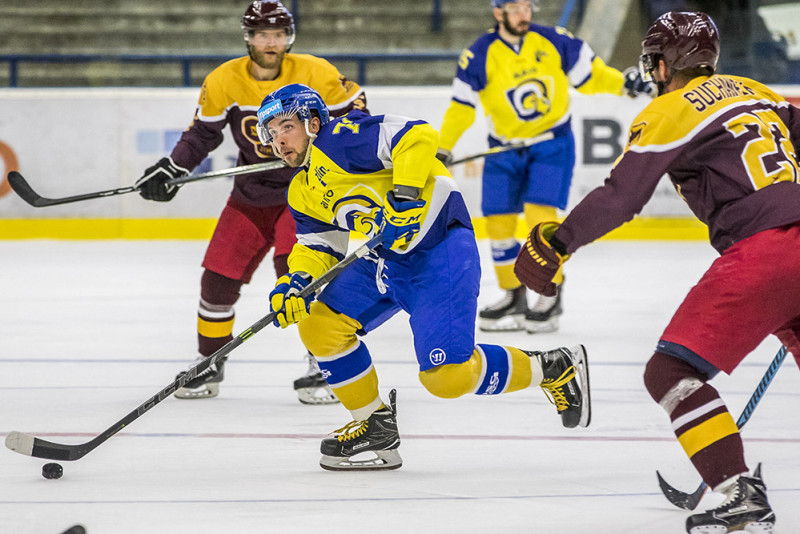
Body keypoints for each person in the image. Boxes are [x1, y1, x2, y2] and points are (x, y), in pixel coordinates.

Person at [514, 11, 800, 533]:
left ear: (672, 61)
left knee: (670, 372)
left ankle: (738, 493)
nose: (653, 73)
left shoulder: (671, 110)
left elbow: (623, 197)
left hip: (764, 253)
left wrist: (559, 242)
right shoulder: (755, 89)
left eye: (656, 61)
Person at [255, 83, 592, 471]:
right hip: (388, 260)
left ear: (313, 122)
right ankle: (373, 426)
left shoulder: (342, 139)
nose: (278, 141)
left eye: (285, 126)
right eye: (272, 133)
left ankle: (553, 367)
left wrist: (406, 196)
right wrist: (294, 282)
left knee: (446, 379)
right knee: (319, 326)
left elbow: (417, 135)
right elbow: (320, 247)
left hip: (440, 249)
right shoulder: (302, 189)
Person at [134, 1, 367, 404]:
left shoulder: (318, 73)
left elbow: (358, 113)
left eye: (277, 34)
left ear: (288, 37)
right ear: (249, 38)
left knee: (301, 279)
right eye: (262, 34)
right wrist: (173, 167)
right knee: (217, 280)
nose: (270, 42)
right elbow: (202, 135)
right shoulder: (224, 80)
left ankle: (324, 363)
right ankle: (209, 362)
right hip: (252, 195)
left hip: (308, 193)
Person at [436, 0, 654, 334]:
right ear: (498, 13)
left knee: (540, 217)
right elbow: (461, 107)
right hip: (504, 148)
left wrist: (623, 84)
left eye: (528, 7)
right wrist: (443, 147)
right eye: (516, 8)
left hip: (551, 144)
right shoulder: (478, 54)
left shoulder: (555, 40)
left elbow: (591, 76)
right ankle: (512, 294)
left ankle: (549, 293)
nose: (524, 14)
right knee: (497, 224)